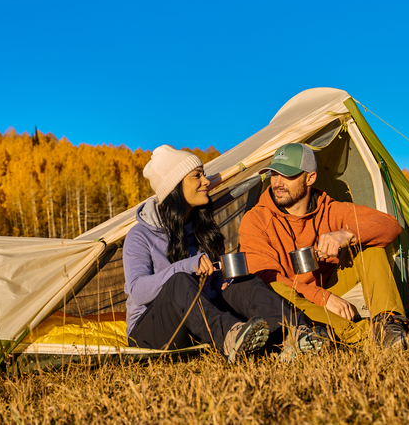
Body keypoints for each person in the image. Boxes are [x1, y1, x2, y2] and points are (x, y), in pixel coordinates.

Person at [124, 145, 322, 363]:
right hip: (151, 335)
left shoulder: (205, 230)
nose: (206, 181)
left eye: (204, 174)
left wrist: (224, 285)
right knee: (179, 281)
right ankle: (231, 339)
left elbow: (216, 281)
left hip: (198, 324)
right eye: (197, 176)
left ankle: (294, 333)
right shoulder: (140, 235)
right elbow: (137, 291)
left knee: (244, 282)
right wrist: (187, 266)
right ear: (175, 186)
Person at [238, 143, 409, 348]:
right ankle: (366, 335)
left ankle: (389, 322)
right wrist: (322, 297)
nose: (278, 183)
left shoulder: (330, 210)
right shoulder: (256, 219)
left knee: (371, 249)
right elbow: (264, 275)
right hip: (293, 301)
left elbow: (390, 225)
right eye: (274, 174)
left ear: (310, 177)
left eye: (288, 175)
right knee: (271, 287)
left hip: (333, 290)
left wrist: (346, 235)